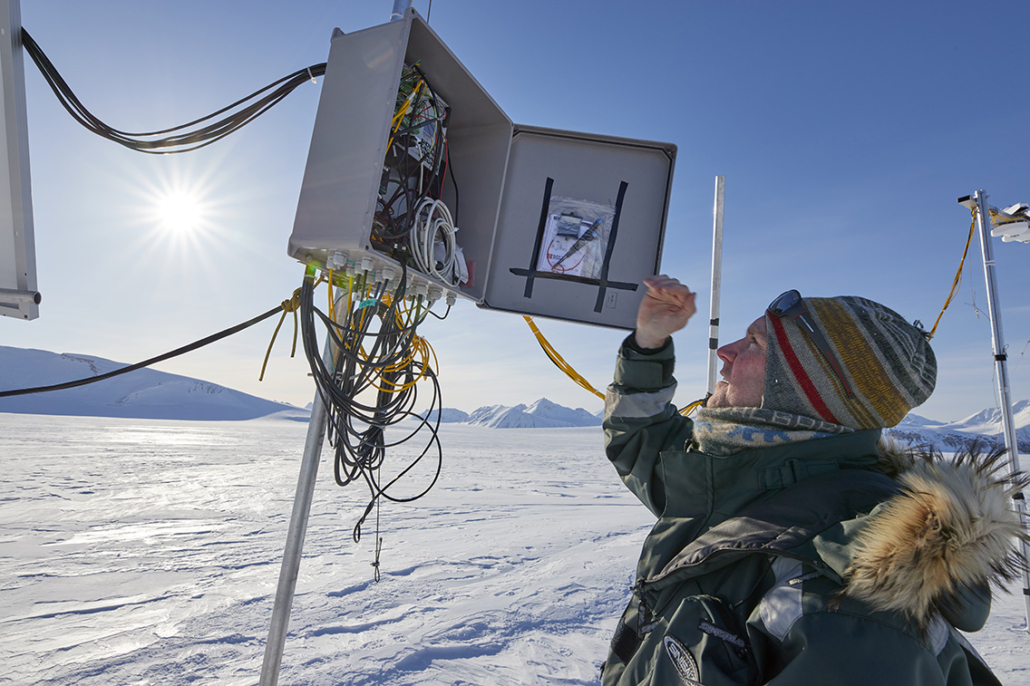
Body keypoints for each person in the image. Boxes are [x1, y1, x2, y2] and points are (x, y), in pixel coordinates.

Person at [601, 275, 1027, 686]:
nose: (725, 352)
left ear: (801, 391)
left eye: (754, 343)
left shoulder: (849, 608)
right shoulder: (737, 475)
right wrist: (649, 341)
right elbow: (641, 440)